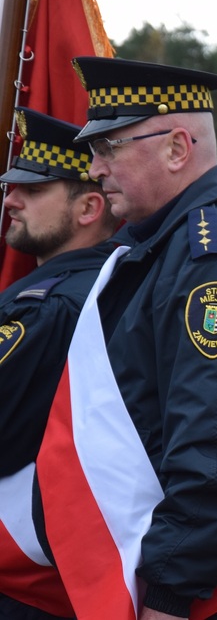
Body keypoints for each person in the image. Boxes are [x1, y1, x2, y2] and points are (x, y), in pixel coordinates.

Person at [32, 57, 217, 620]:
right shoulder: (170, 246)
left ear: (176, 148)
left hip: (199, 598)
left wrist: (170, 594)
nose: (94, 168)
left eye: (110, 148)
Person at [0, 108, 118, 620]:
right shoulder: (106, 287)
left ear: (89, 207)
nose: (10, 199)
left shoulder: (48, 307)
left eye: (34, 189)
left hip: (25, 577)